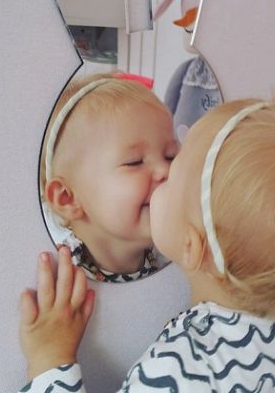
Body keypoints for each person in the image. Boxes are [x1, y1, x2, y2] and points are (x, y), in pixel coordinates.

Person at [19, 93, 275, 391]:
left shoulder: (175, 372)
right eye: (136, 162)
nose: (162, 174)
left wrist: (51, 358)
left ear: (191, 245)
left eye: (173, 163)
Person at [40, 71, 178, 283]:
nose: (166, 170)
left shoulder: (177, 254)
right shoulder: (61, 277)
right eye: (135, 162)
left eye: (170, 156)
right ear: (68, 198)